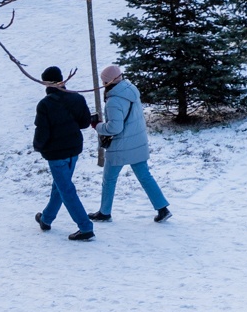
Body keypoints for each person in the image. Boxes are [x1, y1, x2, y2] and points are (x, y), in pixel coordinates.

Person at [90, 64, 170, 224]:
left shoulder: (113, 101)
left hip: (120, 146)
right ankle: (162, 208)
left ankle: (104, 212)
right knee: (145, 176)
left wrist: (97, 126)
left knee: (109, 179)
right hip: (138, 142)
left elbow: (115, 127)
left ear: (107, 82)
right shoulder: (131, 90)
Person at [32, 66, 95, 240]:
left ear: (45, 82)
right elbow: (84, 123)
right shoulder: (76, 98)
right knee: (60, 186)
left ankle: (85, 227)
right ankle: (46, 219)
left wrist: (38, 147)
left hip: (55, 154)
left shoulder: (45, 104)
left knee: (66, 189)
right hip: (74, 149)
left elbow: (41, 132)